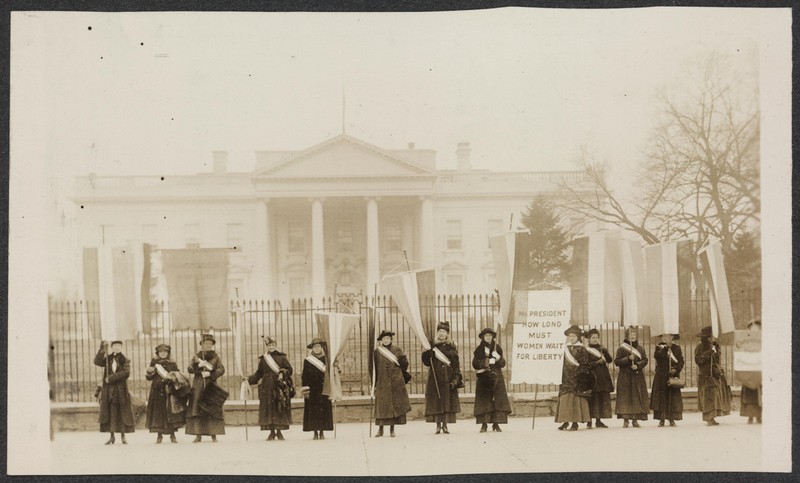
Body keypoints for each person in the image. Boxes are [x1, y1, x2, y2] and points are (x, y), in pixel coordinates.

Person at [246, 336, 294, 441]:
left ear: (276, 345)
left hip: (278, 386)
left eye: (273, 345)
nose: (271, 347)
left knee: (279, 408)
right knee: (269, 409)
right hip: (266, 387)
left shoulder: (282, 357)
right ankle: (272, 432)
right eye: (269, 345)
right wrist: (248, 380)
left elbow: (290, 370)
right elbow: (259, 373)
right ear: (266, 347)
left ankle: (279, 432)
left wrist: (283, 372)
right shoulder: (264, 359)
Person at [422, 321, 462, 434]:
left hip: (447, 377)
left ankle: (445, 425)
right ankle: (437, 425)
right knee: (436, 401)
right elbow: (426, 362)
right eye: (439, 331)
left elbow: (456, 364)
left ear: (447, 333)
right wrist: (426, 354)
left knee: (446, 402)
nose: (441, 334)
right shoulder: (431, 346)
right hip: (435, 377)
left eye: (444, 332)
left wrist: (455, 378)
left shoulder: (452, 347)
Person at [186, 334, 227, 442]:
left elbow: (221, 369)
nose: (208, 345)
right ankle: (198, 434)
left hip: (211, 385)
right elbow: (190, 369)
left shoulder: (215, 357)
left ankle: (213, 434)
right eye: (206, 343)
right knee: (198, 409)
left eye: (210, 344)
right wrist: (198, 366)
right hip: (198, 386)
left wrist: (210, 374)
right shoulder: (196, 357)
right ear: (202, 344)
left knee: (212, 409)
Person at [93, 340, 135, 445]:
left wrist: (110, 378)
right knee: (110, 413)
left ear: (121, 347)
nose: (117, 347)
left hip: (121, 391)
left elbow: (126, 373)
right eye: (115, 346)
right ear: (112, 347)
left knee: (122, 413)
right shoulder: (108, 359)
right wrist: (102, 349)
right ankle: (111, 437)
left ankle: (123, 436)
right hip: (109, 391)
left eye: (119, 346)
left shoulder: (125, 360)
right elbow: (97, 361)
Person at [372, 330, 411, 438]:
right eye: (384, 339)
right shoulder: (377, 352)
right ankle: (380, 430)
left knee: (393, 407)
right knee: (382, 407)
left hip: (395, 382)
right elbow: (374, 368)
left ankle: (392, 429)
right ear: (381, 340)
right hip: (382, 382)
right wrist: (374, 383)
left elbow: (404, 363)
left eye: (388, 338)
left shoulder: (397, 350)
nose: (386, 340)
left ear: (391, 339)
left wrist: (398, 372)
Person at [472, 327, 511, 432]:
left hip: (496, 376)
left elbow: (503, 364)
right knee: (484, 400)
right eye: (486, 336)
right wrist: (485, 363)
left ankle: (496, 424)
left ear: (493, 337)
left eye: (490, 335)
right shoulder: (479, 349)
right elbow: (474, 363)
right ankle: (484, 424)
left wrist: (498, 358)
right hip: (484, 377)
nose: (488, 337)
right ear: (483, 337)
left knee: (496, 400)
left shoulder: (497, 348)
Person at [145, 344, 185, 443]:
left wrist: (173, 377)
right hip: (157, 391)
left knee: (170, 413)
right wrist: (149, 373)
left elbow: (178, 376)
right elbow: (149, 378)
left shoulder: (172, 364)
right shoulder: (154, 363)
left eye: (165, 352)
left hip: (169, 390)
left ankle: (172, 435)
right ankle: (159, 436)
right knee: (158, 413)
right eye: (161, 352)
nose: (163, 354)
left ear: (168, 353)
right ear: (158, 353)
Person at [555, 326, 592, 431]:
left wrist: (579, 375)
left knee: (575, 400)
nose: (571, 338)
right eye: (570, 336)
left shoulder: (582, 349)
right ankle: (565, 421)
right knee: (565, 399)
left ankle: (575, 423)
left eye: (574, 336)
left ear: (578, 337)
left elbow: (585, 364)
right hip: (565, 378)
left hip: (576, 378)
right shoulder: (565, 348)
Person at [695, 326, 731, 426]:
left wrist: (716, 351)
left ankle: (713, 416)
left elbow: (717, 361)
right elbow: (698, 360)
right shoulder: (700, 347)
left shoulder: (714, 346)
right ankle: (708, 418)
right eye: (711, 337)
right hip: (705, 376)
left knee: (714, 396)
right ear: (706, 337)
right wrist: (709, 352)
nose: (713, 338)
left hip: (714, 374)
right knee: (707, 397)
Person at [614, 326, 649, 428]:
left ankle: (635, 420)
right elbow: (617, 362)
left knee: (636, 397)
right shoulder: (621, 348)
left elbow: (645, 360)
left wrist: (637, 365)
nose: (633, 336)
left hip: (637, 375)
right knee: (626, 398)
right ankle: (625, 420)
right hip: (625, 376)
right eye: (631, 334)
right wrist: (628, 359)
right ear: (627, 336)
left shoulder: (640, 348)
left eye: (634, 334)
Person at [301, 337, 333, 440]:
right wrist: (306, 390)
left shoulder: (326, 359)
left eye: (319, 346)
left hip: (324, 388)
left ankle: (322, 432)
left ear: (321, 348)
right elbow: (304, 376)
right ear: (312, 348)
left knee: (323, 410)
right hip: (312, 389)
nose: (317, 348)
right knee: (313, 411)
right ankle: (315, 432)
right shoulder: (308, 360)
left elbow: (331, 374)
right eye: (315, 347)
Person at [650, 333, 684, 427]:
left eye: (668, 336)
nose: (665, 338)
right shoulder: (659, 348)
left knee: (672, 398)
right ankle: (661, 419)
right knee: (662, 398)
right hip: (661, 376)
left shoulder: (677, 348)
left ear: (672, 337)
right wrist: (666, 348)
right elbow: (658, 357)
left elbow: (681, 361)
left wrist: (676, 369)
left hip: (672, 375)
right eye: (663, 336)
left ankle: (671, 419)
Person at [583, 328, 613, 429]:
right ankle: (589, 421)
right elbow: (585, 365)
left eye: (596, 337)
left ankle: (598, 421)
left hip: (603, 377)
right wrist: (597, 362)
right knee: (593, 399)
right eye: (593, 338)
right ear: (589, 339)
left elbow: (609, 360)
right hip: (592, 378)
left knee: (601, 398)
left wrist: (605, 352)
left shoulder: (601, 349)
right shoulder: (586, 350)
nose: (595, 339)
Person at [740, 320, 762, 424]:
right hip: (748, 371)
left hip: (759, 371)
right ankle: (750, 416)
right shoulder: (745, 341)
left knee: (759, 394)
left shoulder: (762, 340)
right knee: (749, 395)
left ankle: (759, 416)